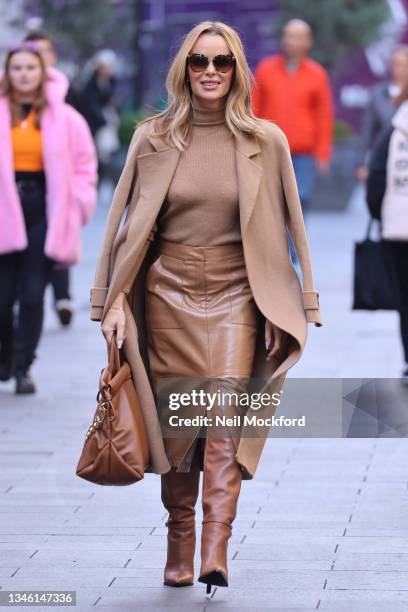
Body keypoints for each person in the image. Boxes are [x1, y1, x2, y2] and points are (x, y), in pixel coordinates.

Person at [90, 21, 322, 593]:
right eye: (199, 62)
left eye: (222, 62)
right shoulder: (153, 137)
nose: (211, 72)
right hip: (167, 292)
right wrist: (113, 298)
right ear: (184, 70)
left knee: (219, 420)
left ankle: (215, 546)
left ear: (238, 70)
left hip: (238, 293)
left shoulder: (266, 141)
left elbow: (291, 226)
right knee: (180, 430)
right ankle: (180, 538)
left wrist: (290, 303)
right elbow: (123, 225)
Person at [0, 41, 97, 394]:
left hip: (46, 209)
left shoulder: (65, 117)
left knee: (30, 294)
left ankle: (24, 366)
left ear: (43, 72)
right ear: (8, 73)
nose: (24, 74)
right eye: (17, 68)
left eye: (30, 67)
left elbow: (86, 165)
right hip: (4, 210)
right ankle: (6, 355)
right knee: (2, 296)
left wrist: (79, 203)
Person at [251, 19, 333, 262]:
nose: (290, 41)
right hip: (270, 151)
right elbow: (254, 108)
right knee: (272, 202)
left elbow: (323, 115)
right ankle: (275, 256)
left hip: (304, 154)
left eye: (296, 36)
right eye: (287, 35)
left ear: (308, 42)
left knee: (300, 201)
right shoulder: (266, 69)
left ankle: (295, 257)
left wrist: (323, 153)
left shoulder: (317, 74)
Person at [23, 28, 85, 327]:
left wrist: (80, 194)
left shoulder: (64, 90)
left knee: (59, 243)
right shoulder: (11, 97)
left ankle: (62, 298)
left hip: (59, 187)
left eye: (42, 52)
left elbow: (81, 137)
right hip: (22, 191)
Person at [366, 83, 408, 383]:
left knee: (405, 299)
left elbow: (376, 177)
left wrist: (382, 214)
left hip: (398, 226)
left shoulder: (395, 127)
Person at [356, 45, 408, 182]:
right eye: (397, 64)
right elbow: (367, 131)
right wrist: (361, 163)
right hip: (381, 160)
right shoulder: (378, 94)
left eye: (404, 64)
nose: (400, 69)